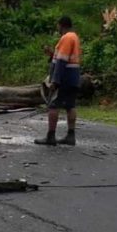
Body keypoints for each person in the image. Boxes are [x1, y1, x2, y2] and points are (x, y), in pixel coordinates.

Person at [35, 16, 81, 146]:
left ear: (61, 25)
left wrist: (55, 81)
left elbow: (61, 61)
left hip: (64, 77)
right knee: (70, 106)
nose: (57, 28)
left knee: (53, 105)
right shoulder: (75, 37)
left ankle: (51, 136)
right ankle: (70, 136)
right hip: (73, 76)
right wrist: (51, 54)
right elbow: (65, 57)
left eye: (58, 26)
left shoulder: (66, 38)